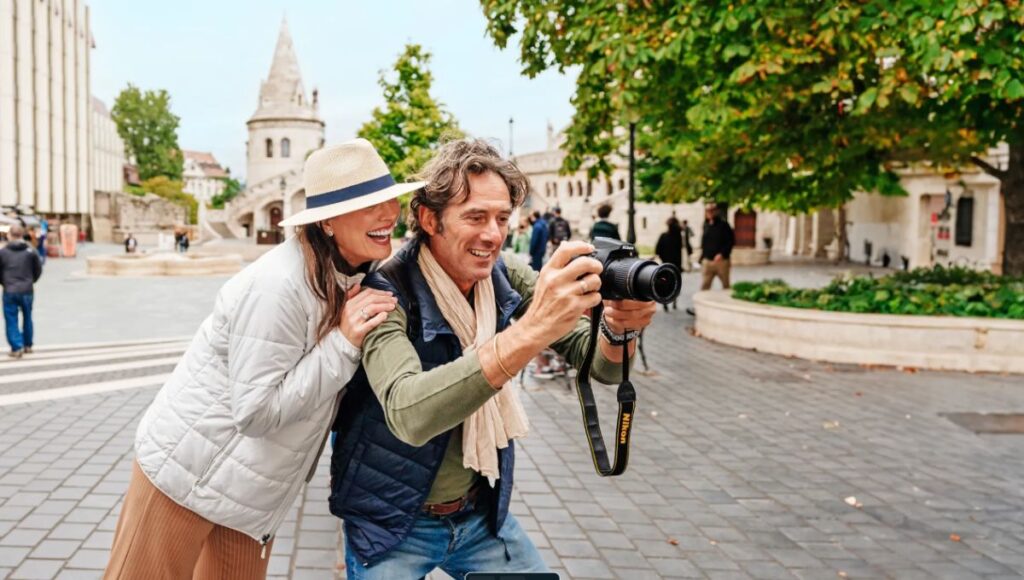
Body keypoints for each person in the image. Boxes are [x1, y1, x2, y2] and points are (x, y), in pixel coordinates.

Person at [328, 138, 657, 579]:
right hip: (391, 525)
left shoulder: (502, 274)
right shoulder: (384, 292)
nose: (494, 234)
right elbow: (409, 413)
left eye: (502, 218)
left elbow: (599, 363)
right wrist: (532, 329)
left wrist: (619, 327)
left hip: (479, 516)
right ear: (429, 219)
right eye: (475, 217)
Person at [103, 139, 417, 580]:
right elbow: (255, 413)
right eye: (369, 205)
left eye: (390, 199)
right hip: (187, 473)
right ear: (327, 220)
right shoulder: (279, 285)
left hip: (252, 492)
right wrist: (343, 343)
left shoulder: (352, 272)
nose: (388, 214)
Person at [0, 224, 42, 359]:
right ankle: (28, 344)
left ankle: (17, 346)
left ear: (9, 235)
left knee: (11, 319)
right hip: (27, 289)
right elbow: (38, 269)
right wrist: (31, 281)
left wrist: (5, 283)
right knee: (28, 317)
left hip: (10, 289)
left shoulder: (3, 252)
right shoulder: (31, 250)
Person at [700, 203, 735, 290]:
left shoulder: (724, 225)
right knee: (704, 287)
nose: (709, 212)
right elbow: (704, 242)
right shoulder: (705, 224)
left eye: (712, 210)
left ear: (716, 211)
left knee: (726, 286)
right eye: (707, 210)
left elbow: (730, 241)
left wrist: (722, 254)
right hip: (707, 261)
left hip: (721, 262)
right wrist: (702, 257)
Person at [655, 217, 683, 311]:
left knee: (665, 284)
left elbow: (658, 250)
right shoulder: (678, 236)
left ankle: (665, 303)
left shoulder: (664, 236)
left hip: (666, 265)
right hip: (676, 265)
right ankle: (674, 301)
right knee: (675, 283)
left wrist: (663, 258)